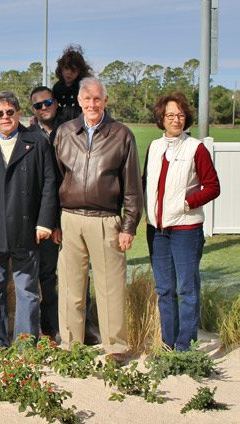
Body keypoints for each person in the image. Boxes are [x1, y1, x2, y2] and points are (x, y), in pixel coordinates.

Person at [0, 91, 58, 357]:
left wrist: (44, 222)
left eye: (10, 112)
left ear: (18, 113)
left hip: (26, 229)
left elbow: (50, 183)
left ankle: (26, 343)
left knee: (27, 289)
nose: (5, 117)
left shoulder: (37, 142)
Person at [54, 77, 143, 362]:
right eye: (87, 99)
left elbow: (132, 186)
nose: (92, 104)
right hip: (70, 219)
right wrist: (54, 221)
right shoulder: (65, 132)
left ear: (105, 101)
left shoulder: (122, 134)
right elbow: (55, 179)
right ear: (79, 101)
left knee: (110, 288)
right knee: (70, 287)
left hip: (106, 220)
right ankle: (71, 345)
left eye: (97, 99)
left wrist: (129, 225)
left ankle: (115, 347)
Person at [144, 92, 220, 352]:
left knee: (186, 288)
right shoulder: (154, 147)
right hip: (158, 231)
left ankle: (185, 346)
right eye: (170, 115)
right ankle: (168, 343)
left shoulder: (195, 148)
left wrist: (187, 203)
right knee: (164, 289)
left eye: (180, 115)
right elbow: (147, 182)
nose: (175, 119)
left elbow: (212, 186)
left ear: (186, 118)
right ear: (161, 118)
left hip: (186, 229)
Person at [29, 86, 99, 345]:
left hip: (72, 211)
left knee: (80, 273)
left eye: (47, 102)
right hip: (43, 217)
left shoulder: (72, 132)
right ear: (32, 110)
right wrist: (49, 221)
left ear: (56, 103)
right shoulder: (29, 135)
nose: (43, 107)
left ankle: (84, 326)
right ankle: (51, 327)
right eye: (38, 105)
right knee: (47, 275)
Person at [52, 45, 93, 125]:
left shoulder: (85, 86)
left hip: (83, 121)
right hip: (63, 123)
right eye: (66, 68)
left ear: (79, 72)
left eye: (73, 70)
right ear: (61, 68)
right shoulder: (57, 87)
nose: (69, 73)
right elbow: (52, 107)